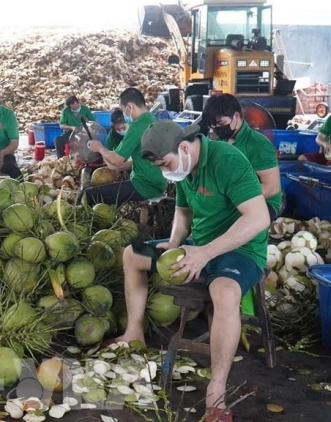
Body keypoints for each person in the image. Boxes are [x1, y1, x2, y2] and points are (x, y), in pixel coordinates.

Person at [114, 120, 270, 422]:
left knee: (224, 293)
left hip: (240, 249)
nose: (164, 172)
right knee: (132, 255)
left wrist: (206, 253)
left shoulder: (227, 160)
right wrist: (174, 242)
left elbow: (259, 217)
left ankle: (217, 388)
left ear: (184, 148)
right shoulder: (185, 168)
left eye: (166, 164)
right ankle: (134, 332)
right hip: (198, 246)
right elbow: (183, 212)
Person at [202, 94, 283, 220]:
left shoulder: (258, 144)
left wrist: (233, 200)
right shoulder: (220, 141)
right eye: (213, 126)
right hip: (229, 198)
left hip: (261, 203)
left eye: (221, 123)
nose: (216, 129)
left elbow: (271, 187)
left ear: (236, 116)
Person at [85, 87, 168, 206]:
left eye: (124, 111)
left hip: (144, 186)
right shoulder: (153, 120)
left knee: (88, 195)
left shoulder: (137, 126)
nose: (125, 115)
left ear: (130, 107)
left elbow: (116, 160)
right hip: (159, 182)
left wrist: (98, 147)